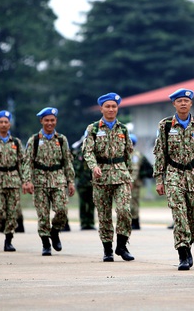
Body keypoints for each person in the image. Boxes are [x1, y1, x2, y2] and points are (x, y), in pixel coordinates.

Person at [153, 88, 194, 270]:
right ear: (174, 104)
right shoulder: (165, 125)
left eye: (186, 101)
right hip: (174, 173)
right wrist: (159, 179)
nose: (183, 104)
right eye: (179, 101)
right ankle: (182, 252)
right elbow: (160, 153)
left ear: (191, 104)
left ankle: (189, 242)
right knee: (179, 213)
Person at [82, 93, 135, 262]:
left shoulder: (123, 129)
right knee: (104, 215)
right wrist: (93, 166)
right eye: (108, 106)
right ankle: (107, 249)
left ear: (117, 108)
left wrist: (130, 176)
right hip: (101, 175)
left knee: (124, 210)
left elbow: (129, 154)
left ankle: (122, 245)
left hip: (121, 175)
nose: (111, 109)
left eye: (114, 106)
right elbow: (87, 151)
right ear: (101, 108)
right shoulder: (93, 129)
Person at [23, 107, 74, 256]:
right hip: (40, 180)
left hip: (58, 178)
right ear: (41, 121)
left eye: (52, 120)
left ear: (56, 121)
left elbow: (67, 161)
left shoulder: (61, 139)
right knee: (43, 215)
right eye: (47, 120)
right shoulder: (34, 140)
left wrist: (70, 181)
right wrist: (27, 180)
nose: (50, 123)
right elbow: (27, 162)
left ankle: (55, 231)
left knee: (62, 210)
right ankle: (46, 243)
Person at [0, 110, 30, 252]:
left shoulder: (16, 142)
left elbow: (22, 163)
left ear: (9, 125)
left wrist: (25, 181)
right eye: (1, 122)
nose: (3, 124)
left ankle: (8, 239)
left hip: (13, 181)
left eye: (6, 122)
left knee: (12, 212)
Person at [72, 137, 96, 230]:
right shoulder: (78, 154)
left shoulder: (94, 154)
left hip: (92, 182)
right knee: (82, 204)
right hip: (82, 183)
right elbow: (76, 168)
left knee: (91, 203)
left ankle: (90, 222)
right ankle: (83, 223)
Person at [130, 134, 153, 230]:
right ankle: (131, 221)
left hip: (133, 184)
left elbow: (135, 170)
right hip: (128, 183)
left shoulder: (135, 155)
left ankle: (135, 222)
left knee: (133, 202)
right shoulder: (127, 154)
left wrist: (131, 181)